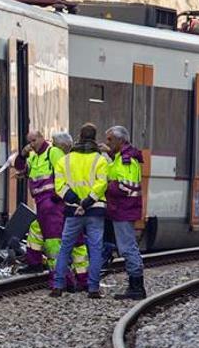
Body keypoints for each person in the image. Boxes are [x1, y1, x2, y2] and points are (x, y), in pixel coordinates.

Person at [15, 131, 88, 290]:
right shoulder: (34, 157)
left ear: (42, 138)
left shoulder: (53, 152)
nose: (31, 144)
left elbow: (65, 172)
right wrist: (22, 155)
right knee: (38, 231)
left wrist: (57, 195)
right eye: (29, 141)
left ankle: (62, 280)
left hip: (53, 205)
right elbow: (21, 168)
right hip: (44, 205)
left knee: (53, 242)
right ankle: (36, 263)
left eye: (34, 140)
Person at [51, 123, 108, 298]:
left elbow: (59, 186)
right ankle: (93, 288)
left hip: (72, 210)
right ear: (94, 137)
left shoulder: (64, 160)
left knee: (65, 248)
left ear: (79, 136)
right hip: (95, 210)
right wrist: (88, 201)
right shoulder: (100, 160)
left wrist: (76, 201)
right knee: (95, 248)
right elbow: (102, 183)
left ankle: (58, 286)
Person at [105, 126, 147, 300]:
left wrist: (105, 186)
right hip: (121, 208)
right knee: (127, 247)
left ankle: (136, 287)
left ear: (120, 141)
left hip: (123, 208)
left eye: (110, 140)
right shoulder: (120, 158)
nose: (107, 143)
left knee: (127, 247)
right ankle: (134, 285)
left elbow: (125, 186)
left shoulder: (126, 159)